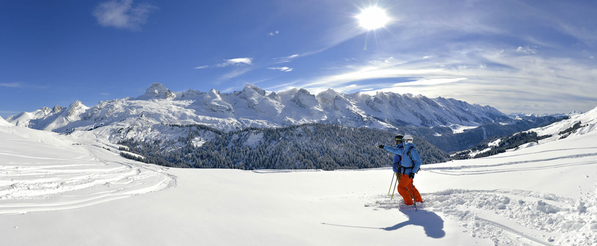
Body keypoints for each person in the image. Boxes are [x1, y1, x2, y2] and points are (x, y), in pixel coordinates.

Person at [378, 134, 423, 206]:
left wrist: (412, 172)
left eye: (404, 141)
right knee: (410, 187)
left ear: (407, 141)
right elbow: (394, 150)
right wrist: (384, 147)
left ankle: (409, 203)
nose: (403, 142)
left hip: (408, 173)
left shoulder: (412, 150)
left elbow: (418, 162)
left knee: (401, 188)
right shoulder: (404, 149)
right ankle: (419, 200)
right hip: (404, 172)